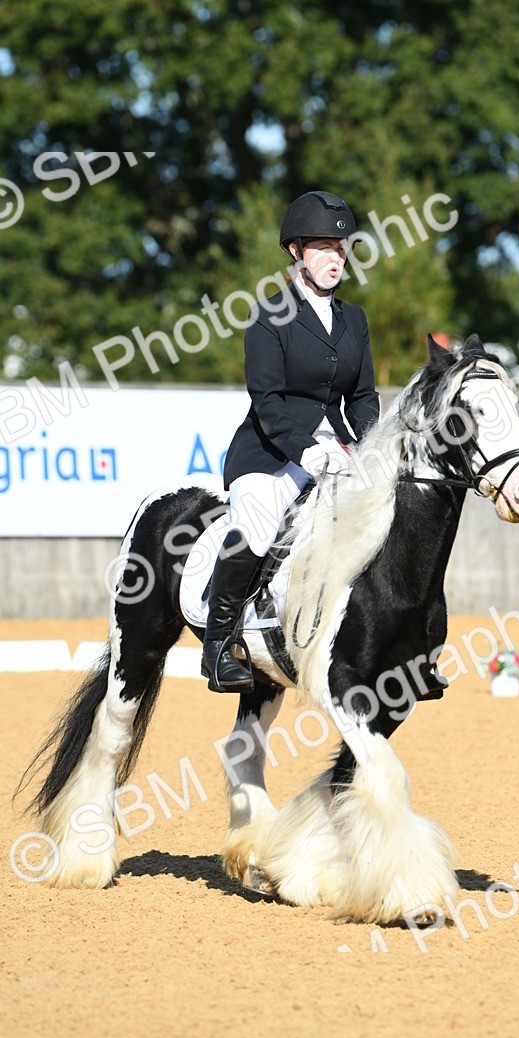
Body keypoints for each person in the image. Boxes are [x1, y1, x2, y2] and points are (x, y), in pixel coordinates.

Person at [201, 190, 381, 692]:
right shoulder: (269, 315)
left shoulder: (354, 320)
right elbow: (267, 398)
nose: (335, 258)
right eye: (324, 248)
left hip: (338, 448)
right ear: (296, 251)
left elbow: (364, 396)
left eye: (341, 249)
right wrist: (304, 448)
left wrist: (366, 448)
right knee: (258, 525)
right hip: (271, 452)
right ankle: (217, 646)